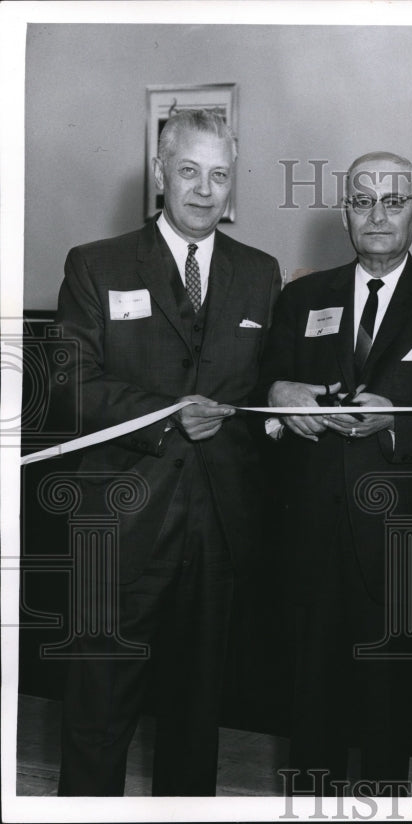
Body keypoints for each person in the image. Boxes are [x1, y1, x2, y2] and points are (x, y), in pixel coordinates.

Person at [55, 109, 282, 795]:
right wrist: (165, 416)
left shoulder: (260, 273)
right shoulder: (96, 264)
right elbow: (69, 387)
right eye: (189, 171)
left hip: (217, 535)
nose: (205, 189)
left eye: (219, 174)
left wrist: (281, 410)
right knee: (98, 720)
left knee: (195, 722)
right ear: (160, 172)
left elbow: (256, 393)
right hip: (120, 529)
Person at [258, 152, 412, 792]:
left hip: (402, 549)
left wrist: (399, 423)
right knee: (310, 722)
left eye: (393, 200)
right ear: (346, 213)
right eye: (363, 200)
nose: (377, 215)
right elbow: (259, 397)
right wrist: (278, 400)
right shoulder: (302, 297)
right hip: (309, 544)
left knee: (388, 725)